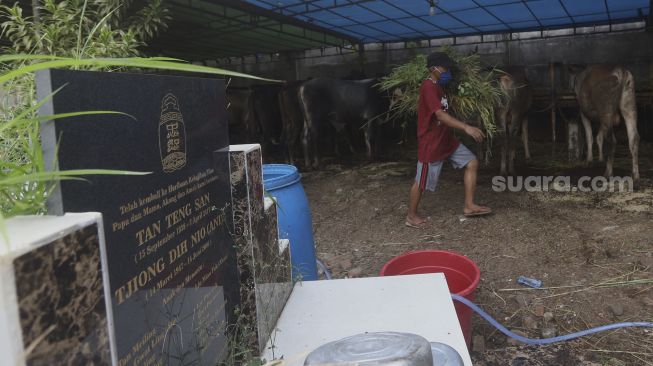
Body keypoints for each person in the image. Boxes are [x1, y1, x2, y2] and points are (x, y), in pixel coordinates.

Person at [405, 52, 492, 229]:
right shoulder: (428, 87)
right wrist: (466, 127)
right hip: (431, 142)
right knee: (421, 181)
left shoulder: (439, 87)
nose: (447, 71)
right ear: (434, 69)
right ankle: (411, 215)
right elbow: (439, 114)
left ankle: (469, 206)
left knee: (471, 162)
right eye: (445, 68)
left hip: (445, 139)